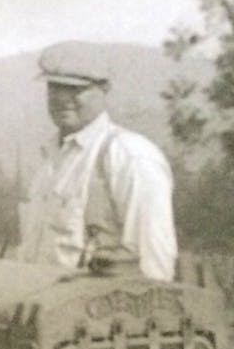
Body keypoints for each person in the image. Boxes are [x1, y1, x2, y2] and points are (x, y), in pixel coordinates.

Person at [17, 40, 177, 281]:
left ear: (104, 89)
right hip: (39, 306)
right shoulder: (49, 161)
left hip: (95, 312)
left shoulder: (128, 155)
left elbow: (154, 261)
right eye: (54, 88)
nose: (63, 99)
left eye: (75, 89)